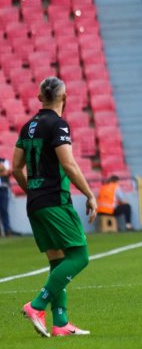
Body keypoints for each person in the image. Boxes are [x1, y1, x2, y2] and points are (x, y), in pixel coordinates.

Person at [12, 77, 97, 337]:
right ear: (65, 98)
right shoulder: (58, 125)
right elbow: (69, 165)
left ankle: (61, 323)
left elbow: (16, 168)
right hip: (55, 201)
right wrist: (89, 194)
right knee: (79, 257)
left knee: (57, 260)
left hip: (35, 202)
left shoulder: (27, 127)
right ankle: (37, 305)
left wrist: (33, 192)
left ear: (40, 98)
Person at [0, 156, 12, 236]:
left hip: (3, 188)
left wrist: (2, 169)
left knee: (4, 209)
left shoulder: (4, 161)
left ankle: (7, 230)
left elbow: (7, 172)